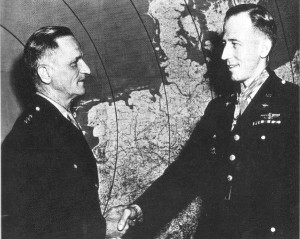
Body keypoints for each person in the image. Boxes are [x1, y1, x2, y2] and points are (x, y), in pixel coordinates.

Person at [112, 4, 299, 239]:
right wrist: (141, 208)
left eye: (235, 44)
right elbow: (185, 171)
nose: (224, 55)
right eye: (224, 44)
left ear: (264, 47)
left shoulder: (293, 104)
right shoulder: (219, 110)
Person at [2, 26, 108, 239]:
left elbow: (67, 208)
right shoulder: (30, 138)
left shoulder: (55, 122)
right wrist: (103, 229)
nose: (86, 69)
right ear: (45, 73)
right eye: (73, 63)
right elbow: (37, 228)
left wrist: (102, 223)